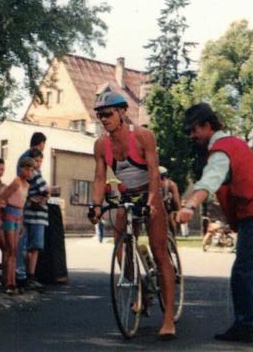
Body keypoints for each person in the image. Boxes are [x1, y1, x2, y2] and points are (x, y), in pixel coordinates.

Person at [176, 102, 253, 342]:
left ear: (207, 125)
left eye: (194, 130)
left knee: (243, 272)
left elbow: (210, 181)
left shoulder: (220, 150)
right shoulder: (236, 143)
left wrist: (190, 205)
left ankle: (243, 327)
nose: (192, 136)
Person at [88, 91, 176, 340]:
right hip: (127, 196)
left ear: (122, 113)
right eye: (99, 115)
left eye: (108, 114)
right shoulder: (100, 145)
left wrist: (151, 202)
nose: (103, 119)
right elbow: (98, 178)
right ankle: (141, 288)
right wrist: (96, 206)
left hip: (149, 193)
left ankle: (168, 318)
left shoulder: (142, 136)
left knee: (159, 252)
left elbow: (154, 172)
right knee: (120, 251)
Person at [0, 157, 35, 296]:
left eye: (32, 170)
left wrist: (21, 223)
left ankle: (12, 282)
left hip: (17, 218)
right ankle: (7, 282)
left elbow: (23, 206)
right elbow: (2, 197)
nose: (29, 172)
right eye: (27, 169)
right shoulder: (16, 182)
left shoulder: (27, 185)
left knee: (14, 251)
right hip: (9, 215)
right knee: (9, 251)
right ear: (21, 168)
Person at [15, 132, 46, 288]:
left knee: (23, 244)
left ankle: (22, 276)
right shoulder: (33, 169)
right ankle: (26, 277)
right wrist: (44, 195)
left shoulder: (23, 156)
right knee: (31, 245)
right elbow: (45, 190)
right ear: (41, 144)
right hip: (31, 212)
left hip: (23, 207)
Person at [22, 147, 49, 290]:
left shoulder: (30, 176)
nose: (38, 164)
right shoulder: (36, 175)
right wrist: (46, 195)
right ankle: (30, 276)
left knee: (29, 247)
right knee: (35, 247)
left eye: (40, 161)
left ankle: (27, 275)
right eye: (36, 161)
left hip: (30, 215)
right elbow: (48, 190)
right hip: (37, 217)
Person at [160, 166, 182, 238]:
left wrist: (179, 210)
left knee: (170, 221)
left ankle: (173, 238)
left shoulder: (171, 185)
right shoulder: (150, 184)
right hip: (156, 205)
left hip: (166, 205)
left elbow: (176, 199)